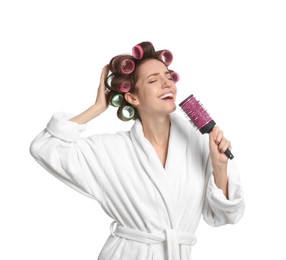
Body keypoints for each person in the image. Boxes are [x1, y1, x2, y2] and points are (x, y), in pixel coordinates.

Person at [30, 41, 245, 260]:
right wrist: (96, 108)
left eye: (168, 77)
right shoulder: (111, 151)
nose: (166, 83)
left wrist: (219, 166)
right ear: (133, 98)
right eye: (153, 80)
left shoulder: (202, 144)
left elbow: (226, 215)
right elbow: (46, 147)